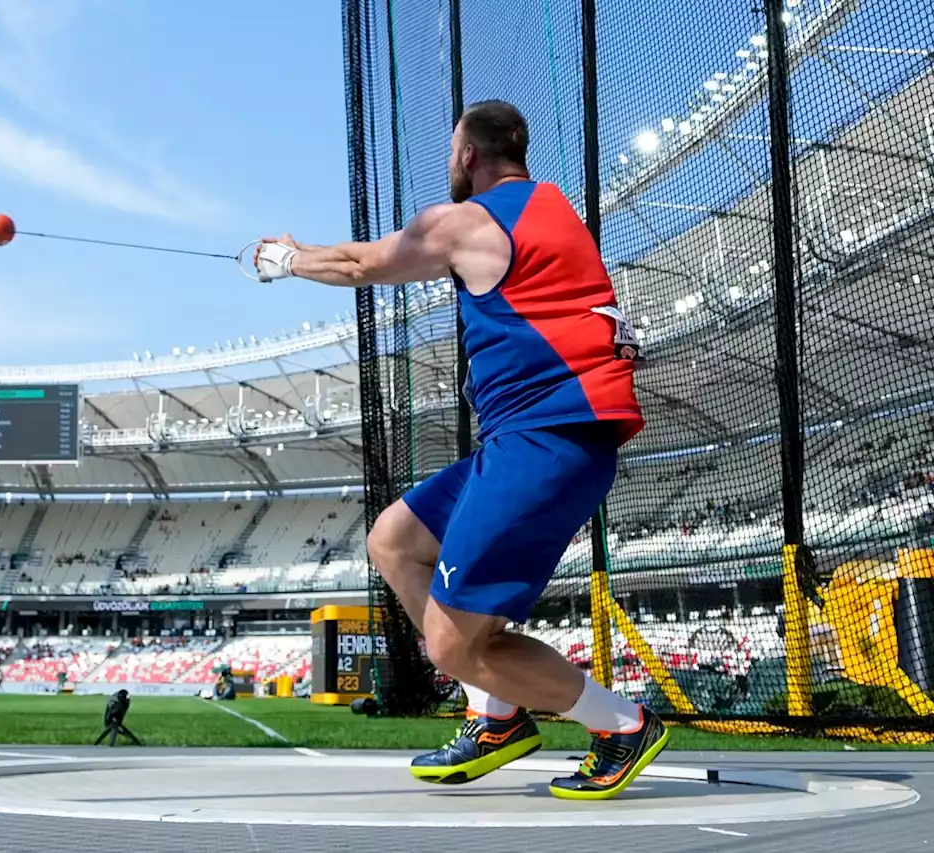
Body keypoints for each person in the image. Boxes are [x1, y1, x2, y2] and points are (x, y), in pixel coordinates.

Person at [254, 100, 665, 801]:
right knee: (393, 539)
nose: (450, 163)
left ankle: (622, 724)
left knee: (450, 643)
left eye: (451, 152)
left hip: (546, 439)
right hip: (531, 438)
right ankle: (496, 713)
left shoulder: (469, 221)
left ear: (469, 156)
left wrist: (286, 259)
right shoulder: (554, 211)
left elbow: (362, 264)